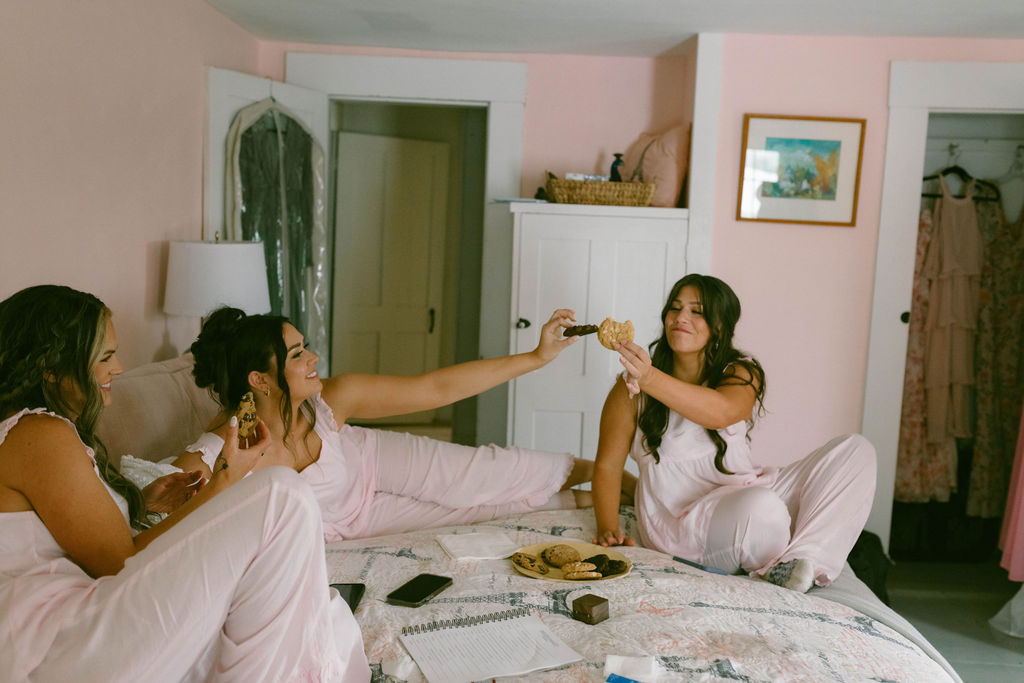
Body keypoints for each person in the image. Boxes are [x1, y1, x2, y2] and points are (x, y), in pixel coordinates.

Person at [0, 285, 369, 682]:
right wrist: (222, 482)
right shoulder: (39, 433)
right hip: (61, 643)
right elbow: (121, 564)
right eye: (105, 357)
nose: (119, 368)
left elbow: (75, 537)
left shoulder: (35, 434)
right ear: (51, 368)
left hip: (75, 628)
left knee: (304, 600)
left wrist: (142, 503)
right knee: (283, 494)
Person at [173, 306, 596, 542]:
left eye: (306, 347)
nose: (312, 359)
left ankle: (610, 474)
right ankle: (598, 500)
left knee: (486, 473)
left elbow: (435, 389)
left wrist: (537, 357)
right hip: (355, 520)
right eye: (297, 354)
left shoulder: (329, 402)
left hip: (369, 462)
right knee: (481, 512)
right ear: (259, 380)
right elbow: (160, 518)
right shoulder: (218, 453)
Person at [591, 274, 876, 592]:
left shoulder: (740, 371)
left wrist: (648, 376)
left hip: (745, 491)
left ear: (721, 325)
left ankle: (800, 559)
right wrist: (607, 528)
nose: (681, 317)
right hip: (685, 525)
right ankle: (781, 551)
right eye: (675, 308)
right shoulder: (630, 389)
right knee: (762, 508)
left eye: (697, 311)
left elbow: (721, 412)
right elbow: (607, 466)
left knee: (855, 450)